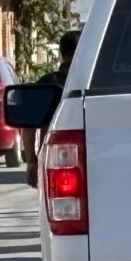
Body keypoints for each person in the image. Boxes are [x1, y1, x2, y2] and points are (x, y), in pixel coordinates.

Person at [23, 30, 81, 188]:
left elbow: (27, 125)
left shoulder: (47, 84)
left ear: (61, 53)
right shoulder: (94, 84)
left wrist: (32, 161)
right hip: (93, 155)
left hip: (51, 157)